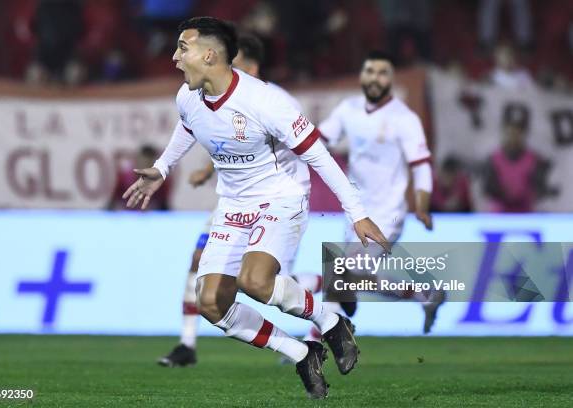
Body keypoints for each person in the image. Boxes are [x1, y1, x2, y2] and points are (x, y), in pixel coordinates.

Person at [123, 17, 389, 399]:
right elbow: (187, 126)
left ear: (209, 54)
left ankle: (331, 322)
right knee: (212, 304)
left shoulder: (266, 101)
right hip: (232, 204)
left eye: (183, 47)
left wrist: (356, 211)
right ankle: (301, 352)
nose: (174, 57)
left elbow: (319, 155)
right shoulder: (187, 96)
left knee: (255, 281)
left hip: (281, 195)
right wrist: (163, 168)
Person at [156, 33, 292, 368]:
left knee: (261, 283)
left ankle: (319, 324)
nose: (227, 68)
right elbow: (222, 138)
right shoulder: (213, 97)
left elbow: (280, 151)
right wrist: (205, 168)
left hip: (274, 205)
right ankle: (187, 344)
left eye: (237, 61)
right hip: (231, 204)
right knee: (198, 259)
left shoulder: (273, 101)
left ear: (253, 65)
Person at [317, 50, 445, 334]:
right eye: (370, 71)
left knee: (344, 275)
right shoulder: (347, 109)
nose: (375, 78)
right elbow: (318, 140)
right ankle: (425, 294)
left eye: (382, 73)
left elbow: (421, 164)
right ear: (362, 75)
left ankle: (312, 343)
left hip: (388, 213)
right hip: (356, 211)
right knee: (347, 278)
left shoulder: (404, 118)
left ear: (390, 78)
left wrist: (422, 205)